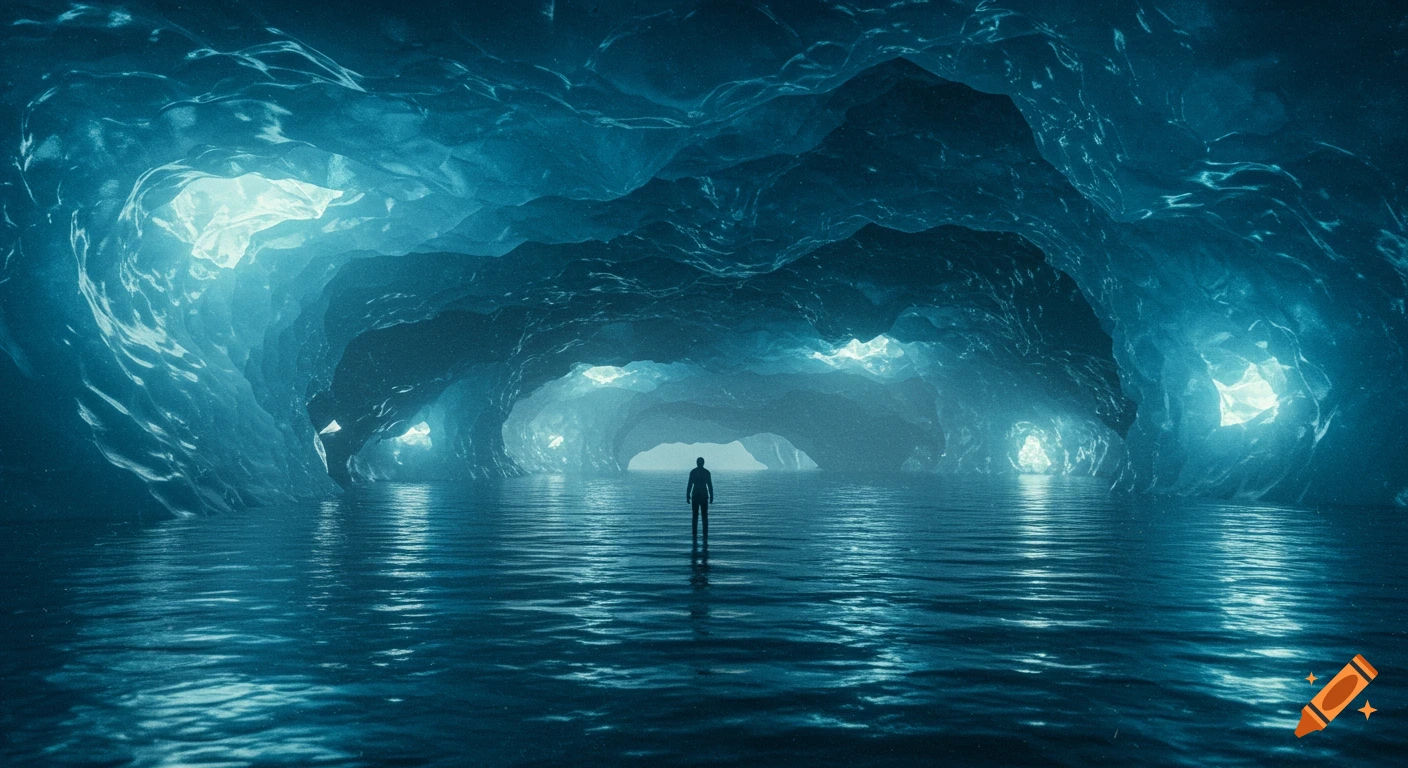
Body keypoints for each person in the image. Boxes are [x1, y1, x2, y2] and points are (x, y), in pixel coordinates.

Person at [686, 457, 714, 541]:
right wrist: (711, 496)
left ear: (697, 463)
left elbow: (690, 485)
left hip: (695, 496)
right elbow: (710, 485)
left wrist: (687, 495)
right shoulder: (707, 472)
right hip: (704, 496)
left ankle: (694, 534)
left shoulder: (693, 472)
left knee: (694, 516)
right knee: (704, 516)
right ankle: (705, 534)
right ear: (703, 463)